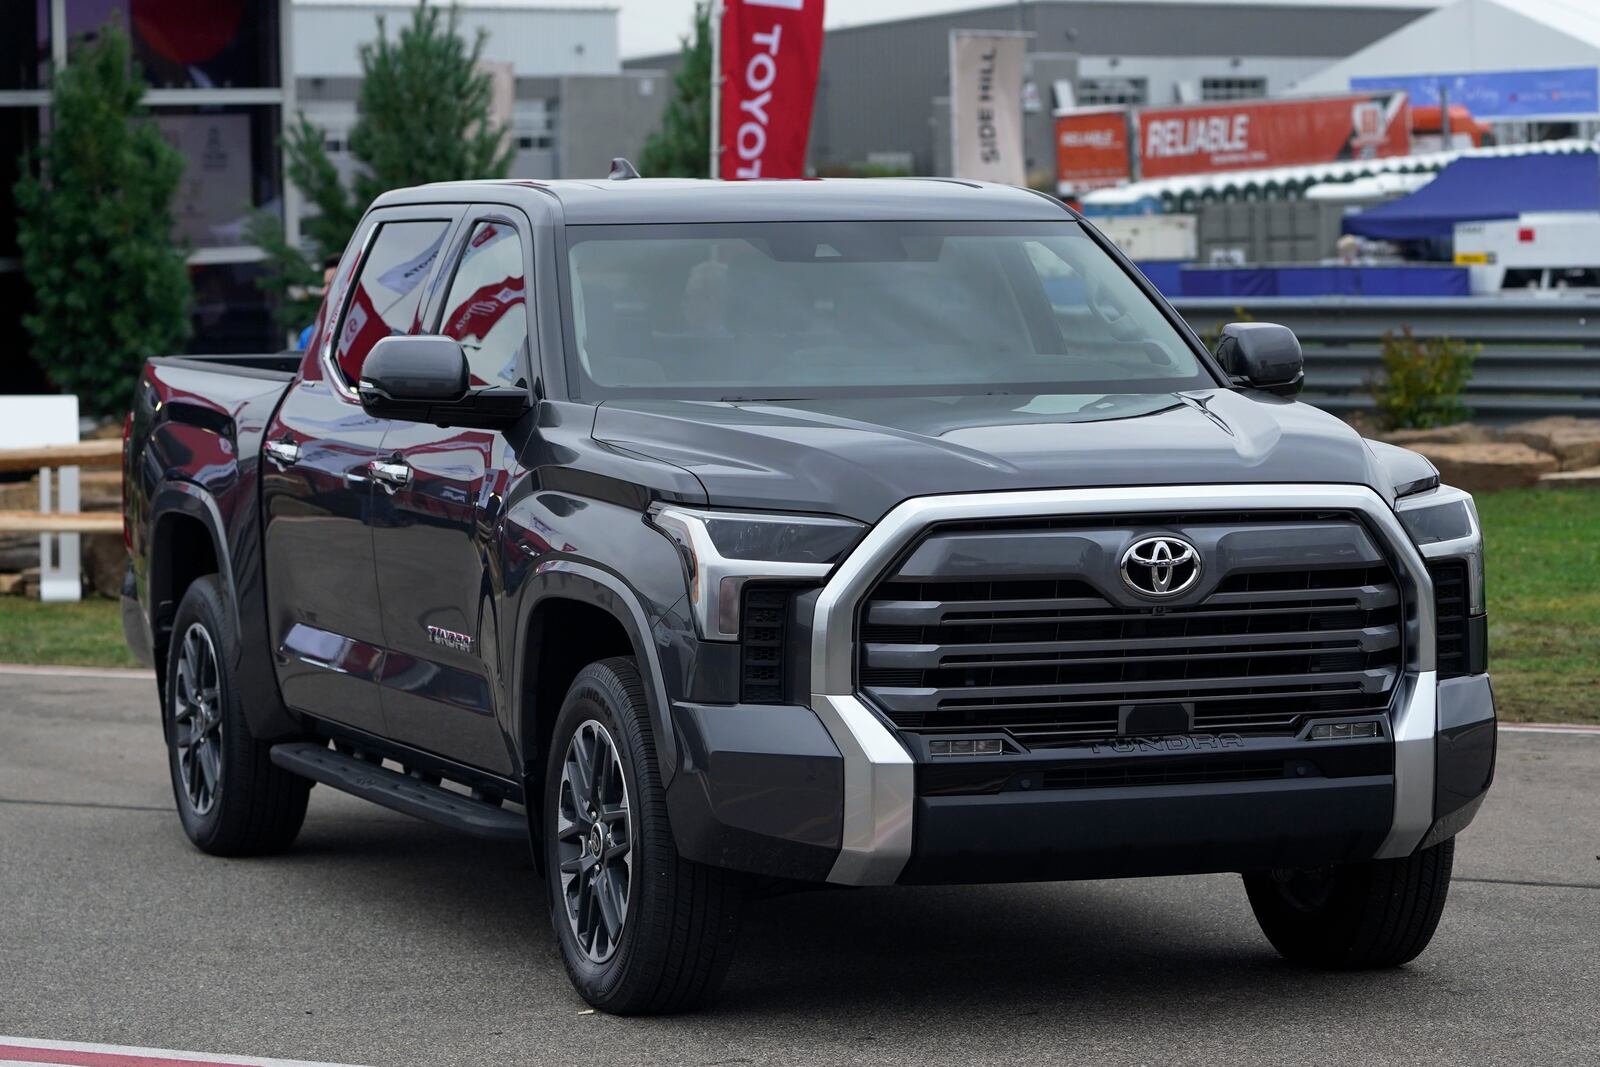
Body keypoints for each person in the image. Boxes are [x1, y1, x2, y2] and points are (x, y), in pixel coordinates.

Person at [295, 254, 344, 350]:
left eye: (331, 284)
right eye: (325, 284)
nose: (323, 291)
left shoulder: (363, 329)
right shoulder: (310, 335)